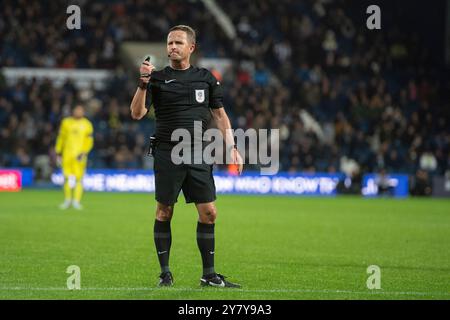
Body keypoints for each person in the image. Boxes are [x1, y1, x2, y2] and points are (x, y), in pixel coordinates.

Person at [130, 25, 243, 288]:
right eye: (169, 43)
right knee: (164, 211)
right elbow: (136, 114)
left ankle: (209, 275)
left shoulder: (206, 78)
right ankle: (165, 273)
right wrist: (142, 84)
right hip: (168, 151)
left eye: (178, 43)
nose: (172, 47)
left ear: (191, 47)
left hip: (199, 152)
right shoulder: (156, 78)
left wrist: (233, 147)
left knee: (209, 213)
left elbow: (219, 115)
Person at [55, 105, 94, 210]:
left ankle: (76, 201)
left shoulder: (87, 124)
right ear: (73, 111)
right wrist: (58, 151)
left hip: (80, 156)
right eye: (76, 110)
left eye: (80, 110)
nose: (78, 112)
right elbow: (61, 138)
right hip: (67, 154)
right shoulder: (66, 122)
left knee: (79, 179)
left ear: (83, 112)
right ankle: (67, 200)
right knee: (66, 178)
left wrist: (84, 152)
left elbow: (89, 141)